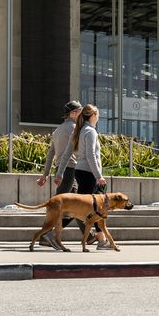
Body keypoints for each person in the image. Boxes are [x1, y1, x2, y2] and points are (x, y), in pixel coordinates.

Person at [58, 103, 110, 248]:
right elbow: (91, 155)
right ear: (93, 116)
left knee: (96, 208)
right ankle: (51, 232)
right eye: (98, 115)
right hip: (89, 173)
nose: (98, 118)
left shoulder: (79, 131)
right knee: (79, 208)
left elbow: (66, 154)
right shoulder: (90, 131)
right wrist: (98, 176)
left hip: (80, 171)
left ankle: (102, 240)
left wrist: (59, 173)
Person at [36, 100, 82, 250]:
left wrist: (45, 174)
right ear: (73, 113)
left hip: (62, 170)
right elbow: (77, 151)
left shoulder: (58, 130)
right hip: (69, 170)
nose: (82, 114)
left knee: (77, 206)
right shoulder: (76, 129)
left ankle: (89, 236)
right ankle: (45, 235)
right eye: (80, 111)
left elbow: (50, 154)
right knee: (58, 206)